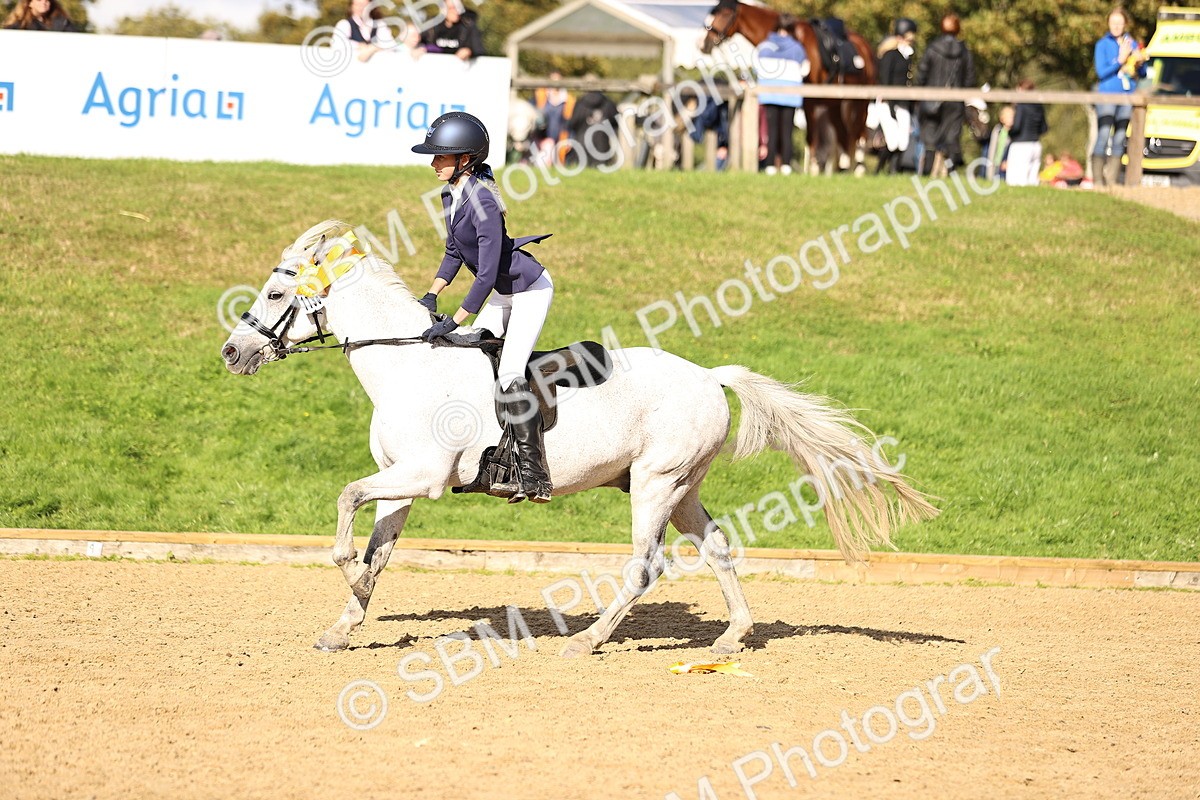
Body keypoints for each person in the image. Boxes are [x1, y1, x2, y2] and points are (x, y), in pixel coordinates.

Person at [413, 112, 555, 504]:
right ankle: (492, 459)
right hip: (501, 291)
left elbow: (488, 273)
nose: (433, 163)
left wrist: (455, 321)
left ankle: (534, 474)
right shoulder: (450, 195)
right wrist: (432, 294)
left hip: (527, 290)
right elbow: (455, 251)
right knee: (474, 359)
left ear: (466, 159)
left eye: (441, 156)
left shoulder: (484, 202)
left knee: (509, 372)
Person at [1092, 7, 1148, 187]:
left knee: (1120, 137)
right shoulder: (1102, 44)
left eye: (1120, 22)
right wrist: (1120, 60)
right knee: (1103, 134)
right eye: (1113, 22)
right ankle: (1098, 181)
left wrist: (1139, 62)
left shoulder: (1131, 43)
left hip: (1127, 96)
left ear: (1125, 24)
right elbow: (1101, 72)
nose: (1116, 26)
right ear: (1108, 23)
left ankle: (1112, 180)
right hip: (1108, 96)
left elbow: (1143, 73)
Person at [916, 13, 976, 177]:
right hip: (954, 101)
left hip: (931, 99)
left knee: (929, 138)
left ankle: (926, 173)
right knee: (951, 138)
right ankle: (951, 173)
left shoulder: (932, 48)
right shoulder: (964, 52)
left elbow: (921, 74)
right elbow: (970, 78)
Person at [754, 16, 808, 175]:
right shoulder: (797, 48)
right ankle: (786, 164)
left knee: (771, 131)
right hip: (790, 95)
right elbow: (805, 69)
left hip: (769, 93)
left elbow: (757, 67)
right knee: (787, 131)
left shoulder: (765, 46)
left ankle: (770, 165)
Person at [875, 17, 917, 175]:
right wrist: (890, 103)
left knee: (903, 141)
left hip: (903, 103)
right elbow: (885, 80)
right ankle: (879, 170)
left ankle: (894, 171)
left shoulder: (908, 58)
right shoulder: (890, 56)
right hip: (888, 103)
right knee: (892, 141)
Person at [1006, 78, 1048, 186]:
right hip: (1036, 145)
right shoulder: (1039, 106)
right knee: (1032, 181)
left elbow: (1017, 127)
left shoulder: (1021, 105)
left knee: (1016, 182)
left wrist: (1009, 131)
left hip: (1021, 145)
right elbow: (1044, 128)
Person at [533, 72, 573, 165]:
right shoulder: (540, 96)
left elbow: (570, 122)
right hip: (542, 139)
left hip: (562, 138)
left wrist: (570, 138)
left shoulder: (568, 100)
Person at [3, 0, 79, 31]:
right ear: (30, 3)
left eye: (47, 0)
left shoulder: (62, 22)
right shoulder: (18, 25)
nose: (44, 2)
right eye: (39, 0)